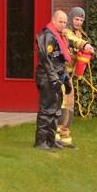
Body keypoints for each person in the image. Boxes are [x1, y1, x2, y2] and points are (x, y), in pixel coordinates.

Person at [57, 7, 96, 149]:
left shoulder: (80, 33)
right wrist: (84, 45)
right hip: (59, 75)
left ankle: (65, 138)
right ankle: (54, 137)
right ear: (71, 18)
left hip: (69, 76)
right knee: (61, 106)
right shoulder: (66, 31)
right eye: (76, 19)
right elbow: (74, 41)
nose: (79, 22)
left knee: (69, 107)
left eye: (81, 20)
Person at [34, 10, 72, 150]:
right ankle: (40, 141)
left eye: (64, 22)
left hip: (56, 76)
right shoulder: (47, 36)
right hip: (46, 77)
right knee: (47, 109)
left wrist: (66, 79)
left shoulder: (59, 37)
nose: (62, 24)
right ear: (54, 20)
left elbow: (60, 61)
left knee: (56, 110)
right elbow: (46, 59)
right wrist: (54, 79)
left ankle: (51, 140)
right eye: (60, 21)